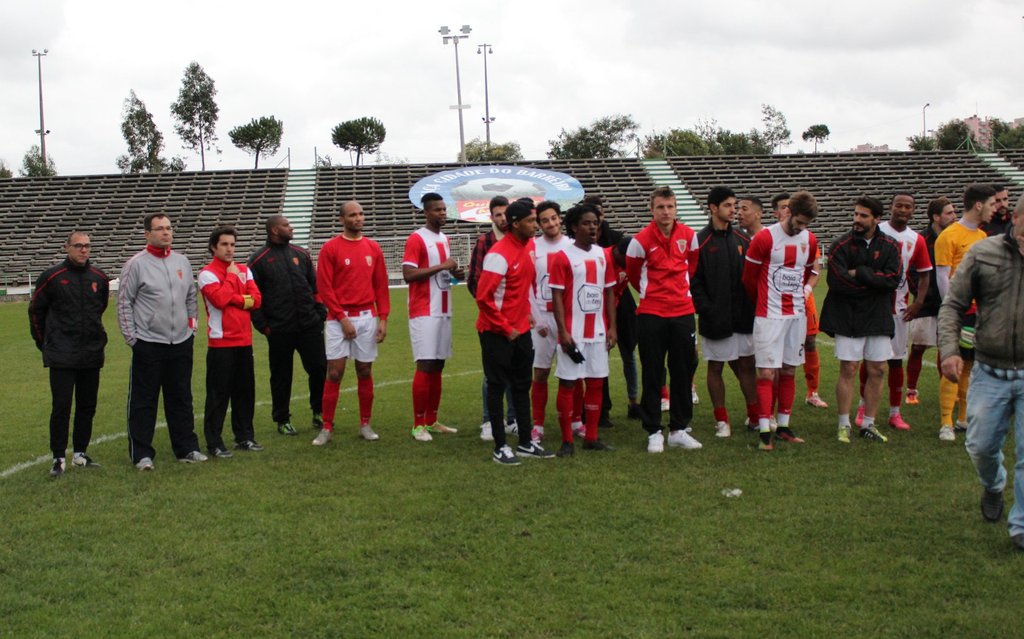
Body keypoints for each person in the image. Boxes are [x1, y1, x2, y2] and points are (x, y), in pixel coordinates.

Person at [939, 193, 1024, 550]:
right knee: (981, 446)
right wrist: (949, 351)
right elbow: (953, 305)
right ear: (1015, 218)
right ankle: (993, 484)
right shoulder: (984, 253)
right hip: (990, 369)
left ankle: (1020, 526)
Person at [117, 213, 205, 470]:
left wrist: (191, 329)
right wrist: (132, 338)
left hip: (181, 342)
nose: (166, 232)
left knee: (181, 398)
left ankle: (186, 447)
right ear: (147, 234)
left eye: (168, 228)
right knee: (144, 400)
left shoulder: (182, 261)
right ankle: (142, 454)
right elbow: (124, 302)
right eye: (160, 229)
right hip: (148, 342)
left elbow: (191, 297)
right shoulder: (136, 264)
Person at [475, 200, 555, 464]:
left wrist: (527, 313)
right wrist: (504, 327)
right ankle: (500, 446)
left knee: (522, 385)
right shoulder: (498, 255)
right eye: (531, 221)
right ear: (516, 223)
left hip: (521, 330)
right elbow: (483, 298)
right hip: (496, 331)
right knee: (497, 386)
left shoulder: (529, 247)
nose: (536, 225)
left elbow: (524, 287)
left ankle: (525, 443)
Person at [820, 196, 902, 444]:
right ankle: (843, 424)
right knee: (849, 368)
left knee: (878, 369)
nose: (857, 219)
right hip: (848, 316)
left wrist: (861, 274)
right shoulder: (840, 245)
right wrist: (874, 284)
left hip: (877, 316)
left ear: (877, 219)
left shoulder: (891, 245)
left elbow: (892, 281)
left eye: (863, 216)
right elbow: (838, 283)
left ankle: (868, 423)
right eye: (856, 214)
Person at [626, 186, 702, 453]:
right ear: (652, 209)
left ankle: (679, 429)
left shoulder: (690, 236)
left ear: (676, 208)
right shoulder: (639, 241)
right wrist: (654, 295)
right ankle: (654, 431)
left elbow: (691, 267)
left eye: (670, 206)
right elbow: (634, 275)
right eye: (660, 207)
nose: (666, 212)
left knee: (683, 371)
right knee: (653, 372)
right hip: (651, 314)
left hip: (682, 312)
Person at [742, 190, 820, 450]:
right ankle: (765, 431)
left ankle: (784, 427)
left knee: (789, 369)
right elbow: (749, 279)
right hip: (769, 316)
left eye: (806, 224)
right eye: (798, 222)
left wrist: (802, 294)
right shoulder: (765, 238)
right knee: (766, 372)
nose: (801, 228)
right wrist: (764, 303)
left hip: (796, 316)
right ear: (788, 212)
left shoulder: (810, 240)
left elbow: (807, 272)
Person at [29, 231, 110, 477]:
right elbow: (36, 312)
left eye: (87, 246)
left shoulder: (99, 277)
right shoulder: (52, 277)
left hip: (91, 353)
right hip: (62, 354)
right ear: (67, 247)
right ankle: (58, 457)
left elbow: (100, 308)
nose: (83, 250)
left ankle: (80, 454)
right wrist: (46, 343)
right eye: (78, 245)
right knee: (61, 406)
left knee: (87, 405)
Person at [314, 200, 390, 446]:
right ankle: (326, 427)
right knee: (335, 372)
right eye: (352, 215)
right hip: (338, 320)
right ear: (342, 219)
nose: (358, 218)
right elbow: (324, 288)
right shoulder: (330, 248)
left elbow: (381, 285)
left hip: (367, 317)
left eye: (361, 214)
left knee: (364, 370)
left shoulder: (373, 247)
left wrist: (383, 318)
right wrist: (342, 318)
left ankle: (365, 424)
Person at [855, 193, 932, 431]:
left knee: (896, 361)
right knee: (870, 360)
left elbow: (925, 274)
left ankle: (895, 413)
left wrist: (918, 303)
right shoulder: (877, 231)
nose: (903, 210)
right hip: (873, 307)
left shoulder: (916, 239)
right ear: (891, 208)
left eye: (908, 206)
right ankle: (862, 407)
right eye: (899, 205)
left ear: (913, 210)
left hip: (900, 310)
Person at [248, 215, 326, 436]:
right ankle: (282, 419)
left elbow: (315, 285)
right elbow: (254, 296)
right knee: (281, 375)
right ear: (274, 230)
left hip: (309, 325)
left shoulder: (301, 254)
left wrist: (320, 312)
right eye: (286, 225)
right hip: (279, 329)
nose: (291, 228)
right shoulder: (258, 260)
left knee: (319, 368)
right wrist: (263, 326)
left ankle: (319, 411)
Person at [549, 203, 618, 455]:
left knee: (596, 382)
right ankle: (567, 441)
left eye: (595, 223)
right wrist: (563, 331)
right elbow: (556, 297)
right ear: (574, 227)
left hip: (597, 332)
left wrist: (612, 327)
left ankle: (591, 437)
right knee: (568, 384)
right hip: (573, 333)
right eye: (587, 223)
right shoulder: (562, 256)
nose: (593, 228)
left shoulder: (603, 255)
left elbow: (609, 292)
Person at [691, 187, 759, 439]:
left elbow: (753, 276)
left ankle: (755, 416)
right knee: (716, 367)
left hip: (743, 317)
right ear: (713, 208)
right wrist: (707, 309)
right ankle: (721, 420)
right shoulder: (699, 241)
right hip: (715, 318)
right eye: (728, 205)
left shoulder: (743, 239)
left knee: (747, 366)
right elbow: (693, 281)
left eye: (735, 205)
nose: (734, 210)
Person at [934, 184, 997, 441]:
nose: (995, 209)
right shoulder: (949, 236)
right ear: (979, 205)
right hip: (961, 312)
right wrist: (953, 311)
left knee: (969, 366)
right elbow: (942, 278)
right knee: (953, 364)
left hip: (979, 312)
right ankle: (945, 423)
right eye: (991, 204)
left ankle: (962, 418)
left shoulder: (982, 237)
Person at [402, 193, 464, 442]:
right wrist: (442, 266)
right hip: (424, 310)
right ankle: (418, 425)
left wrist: (455, 274)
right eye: (437, 210)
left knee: (438, 365)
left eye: (444, 209)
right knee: (426, 364)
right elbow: (408, 274)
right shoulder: (417, 238)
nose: (442, 213)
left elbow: (443, 274)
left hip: (443, 308)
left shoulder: (444, 239)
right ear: (426, 212)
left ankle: (432, 420)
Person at [198, 226, 263, 458]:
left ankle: (244, 437)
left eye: (232, 244)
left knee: (245, 392)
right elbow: (219, 299)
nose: (229, 249)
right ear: (213, 247)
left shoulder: (246, 270)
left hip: (244, 341)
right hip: (221, 343)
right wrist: (233, 279)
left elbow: (256, 300)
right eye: (224, 244)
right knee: (218, 395)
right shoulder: (207, 273)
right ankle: (214, 443)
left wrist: (235, 298)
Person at [467, 195, 516, 440]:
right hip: (491, 319)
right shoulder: (484, 242)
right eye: (498, 214)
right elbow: (474, 281)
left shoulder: (519, 240)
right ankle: (489, 421)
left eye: (506, 214)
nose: (503, 218)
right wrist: (491, 308)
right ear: (491, 217)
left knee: (516, 370)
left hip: (516, 317)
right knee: (493, 372)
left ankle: (514, 419)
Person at [589, 194, 641, 421]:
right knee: (600, 357)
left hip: (622, 307)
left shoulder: (621, 243)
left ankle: (634, 402)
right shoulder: (600, 256)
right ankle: (602, 407)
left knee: (629, 353)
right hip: (598, 309)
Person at [529, 201, 574, 443]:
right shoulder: (532, 248)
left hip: (567, 319)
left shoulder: (572, 246)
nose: (551, 223)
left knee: (574, 373)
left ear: (560, 218)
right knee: (541, 372)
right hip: (543, 320)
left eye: (554, 218)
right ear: (538, 224)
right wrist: (537, 320)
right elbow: (526, 286)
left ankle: (576, 421)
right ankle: (537, 425)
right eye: (545, 220)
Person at [906, 197, 957, 402]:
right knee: (919, 347)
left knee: (946, 348)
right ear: (936, 217)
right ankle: (911, 390)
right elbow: (912, 272)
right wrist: (922, 295)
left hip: (950, 302)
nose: (954, 216)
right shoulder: (922, 240)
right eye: (949, 213)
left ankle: (947, 389)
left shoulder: (954, 237)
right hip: (926, 304)